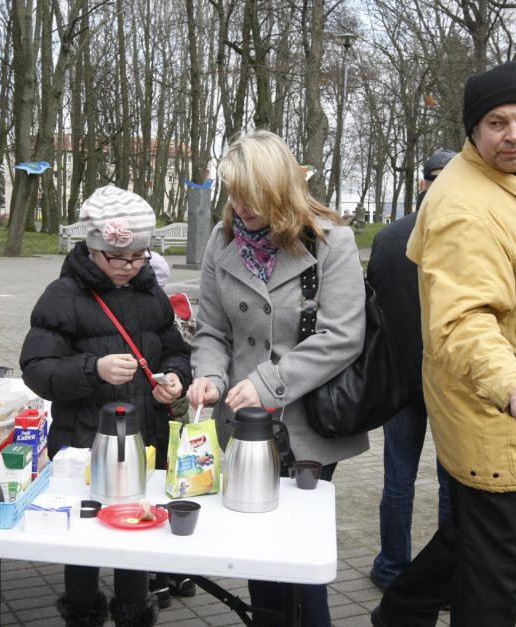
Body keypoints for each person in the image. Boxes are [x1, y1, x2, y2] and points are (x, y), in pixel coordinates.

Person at [371, 62, 516, 627]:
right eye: (496, 123)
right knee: (497, 580)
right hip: (498, 413)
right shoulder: (465, 208)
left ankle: (397, 616)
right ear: (473, 130)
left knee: (464, 537)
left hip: (515, 406)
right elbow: (463, 320)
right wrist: (511, 387)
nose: (514, 135)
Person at [186, 130, 368, 626]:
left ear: (282, 189)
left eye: (253, 196)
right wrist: (209, 377)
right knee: (260, 556)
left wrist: (268, 383)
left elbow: (342, 336)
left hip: (307, 427)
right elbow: (211, 331)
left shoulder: (333, 241)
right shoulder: (221, 242)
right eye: (233, 193)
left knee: (296, 557)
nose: (240, 206)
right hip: (242, 427)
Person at [20, 184, 191, 627]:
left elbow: (175, 351)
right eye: (120, 258)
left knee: (135, 534)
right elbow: (37, 368)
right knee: (86, 539)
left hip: (144, 437)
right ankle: (82, 612)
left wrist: (174, 379)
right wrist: (92, 369)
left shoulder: (150, 291)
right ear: (94, 248)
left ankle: (135, 612)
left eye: (139, 257)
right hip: (83, 443)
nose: (130, 268)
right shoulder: (63, 296)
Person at [367, 150, 456, 592]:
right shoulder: (465, 235)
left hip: (401, 376)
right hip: (451, 380)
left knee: (398, 478)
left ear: (423, 183)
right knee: (451, 482)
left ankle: (393, 568)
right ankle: (442, 577)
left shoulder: (388, 238)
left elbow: (375, 304)